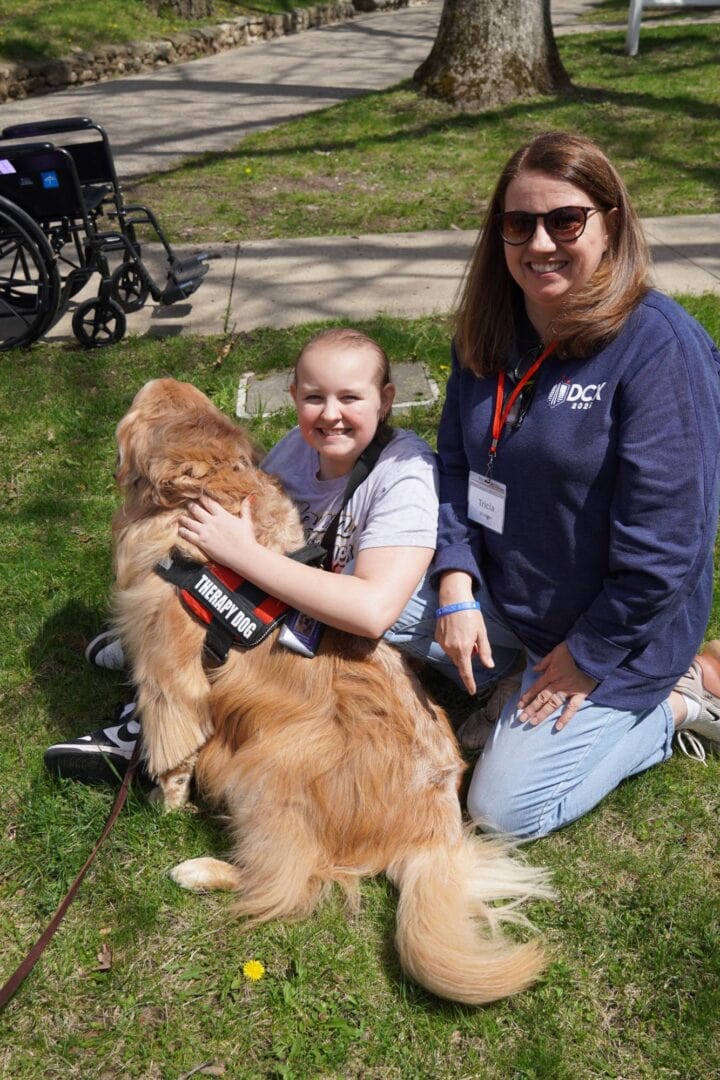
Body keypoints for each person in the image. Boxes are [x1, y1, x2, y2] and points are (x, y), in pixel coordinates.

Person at [386, 130, 720, 837]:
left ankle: (673, 703)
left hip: (616, 630)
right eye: (519, 224)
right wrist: (453, 581)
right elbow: (453, 466)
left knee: (503, 811)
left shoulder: (660, 348)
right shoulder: (489, 328)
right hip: (501, 594)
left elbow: (668, 548)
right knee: (354, 597)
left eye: (565, 220)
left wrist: (588, 656)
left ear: (611, 224)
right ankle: (512, 664)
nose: (540, 243)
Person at [44, 327, 439, 783]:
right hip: (296, 609)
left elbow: (372, 612)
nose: (331, 415)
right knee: (195, 575)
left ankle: (153, 728)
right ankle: (154, 654)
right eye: (314, 398)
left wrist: (243, 553)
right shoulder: (297, 446)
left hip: (374, 625)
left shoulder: (404, 474)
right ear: (293, 396)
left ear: (385, 400)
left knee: (224, 580)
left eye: (350, 398)